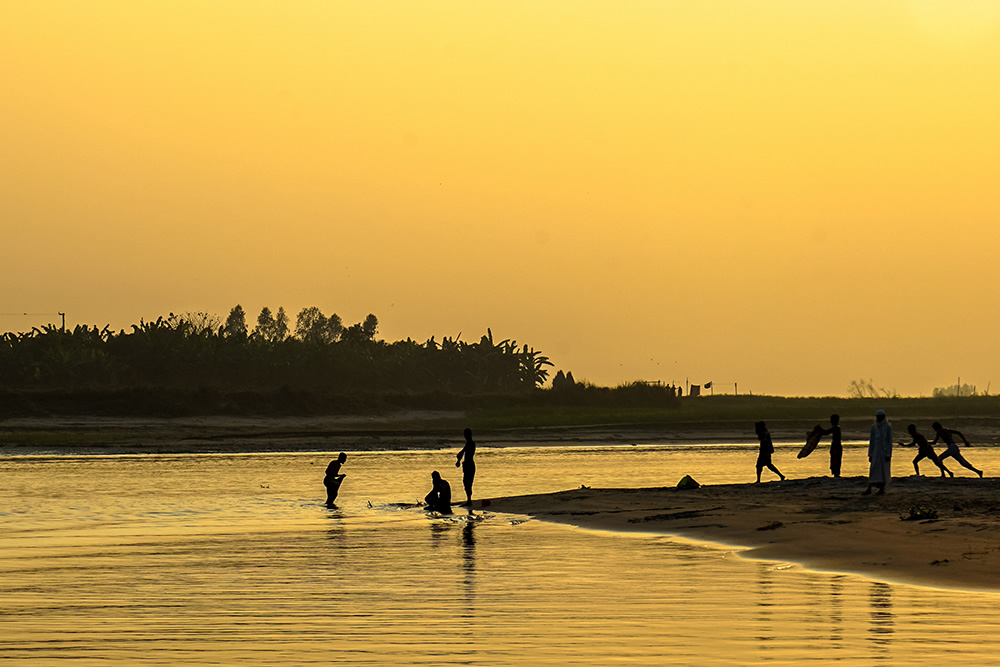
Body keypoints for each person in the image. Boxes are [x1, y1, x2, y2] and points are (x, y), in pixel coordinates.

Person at [863, 409, 892, 495]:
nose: (879, 418)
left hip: (884, 452)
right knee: (873, 469)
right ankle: (869, 488)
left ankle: (882, 489)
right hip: (875, 452)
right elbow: (872, 441)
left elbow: (889, 441)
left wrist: (888, 454)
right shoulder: (874, 427)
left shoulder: (888, 427)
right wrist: (870, 454)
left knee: (883, 471)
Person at [455, 428, 477, 505]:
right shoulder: (469, 443)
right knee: (466, 482)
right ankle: (468, 499)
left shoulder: (470, 443)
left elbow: (463, 452)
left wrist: (458, 460)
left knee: (468, 482)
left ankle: (469, 500)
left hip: (469, 465)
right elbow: (462, 452)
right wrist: (458, 460)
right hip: (468, 464)